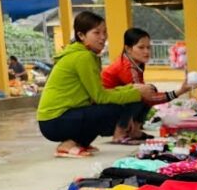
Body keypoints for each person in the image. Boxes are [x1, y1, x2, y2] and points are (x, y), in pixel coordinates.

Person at [36, 11, 154, 157]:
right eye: (96, 33)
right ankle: (68, 144)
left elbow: (98, 92)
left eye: (104, 32)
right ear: (81, 35)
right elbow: (100, 97)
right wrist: (136, 93)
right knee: (114, 109)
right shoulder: (83, 57)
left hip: (58, 119)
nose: (103, 37)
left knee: (114, 104)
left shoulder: (87, 55)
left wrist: (132, 89)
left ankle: (80, 142)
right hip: (55, 121)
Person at [102, 27, 196, 115]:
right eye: (141, 47)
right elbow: (148, 98)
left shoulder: (135, 63)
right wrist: (179, 91)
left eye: (148, 47)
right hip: (105, 105)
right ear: (128, 49)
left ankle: (133, 129)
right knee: (142, 96)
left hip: (112, 101)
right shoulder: (127, 68)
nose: (147, 51)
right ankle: (124, 131)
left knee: (149, 89)